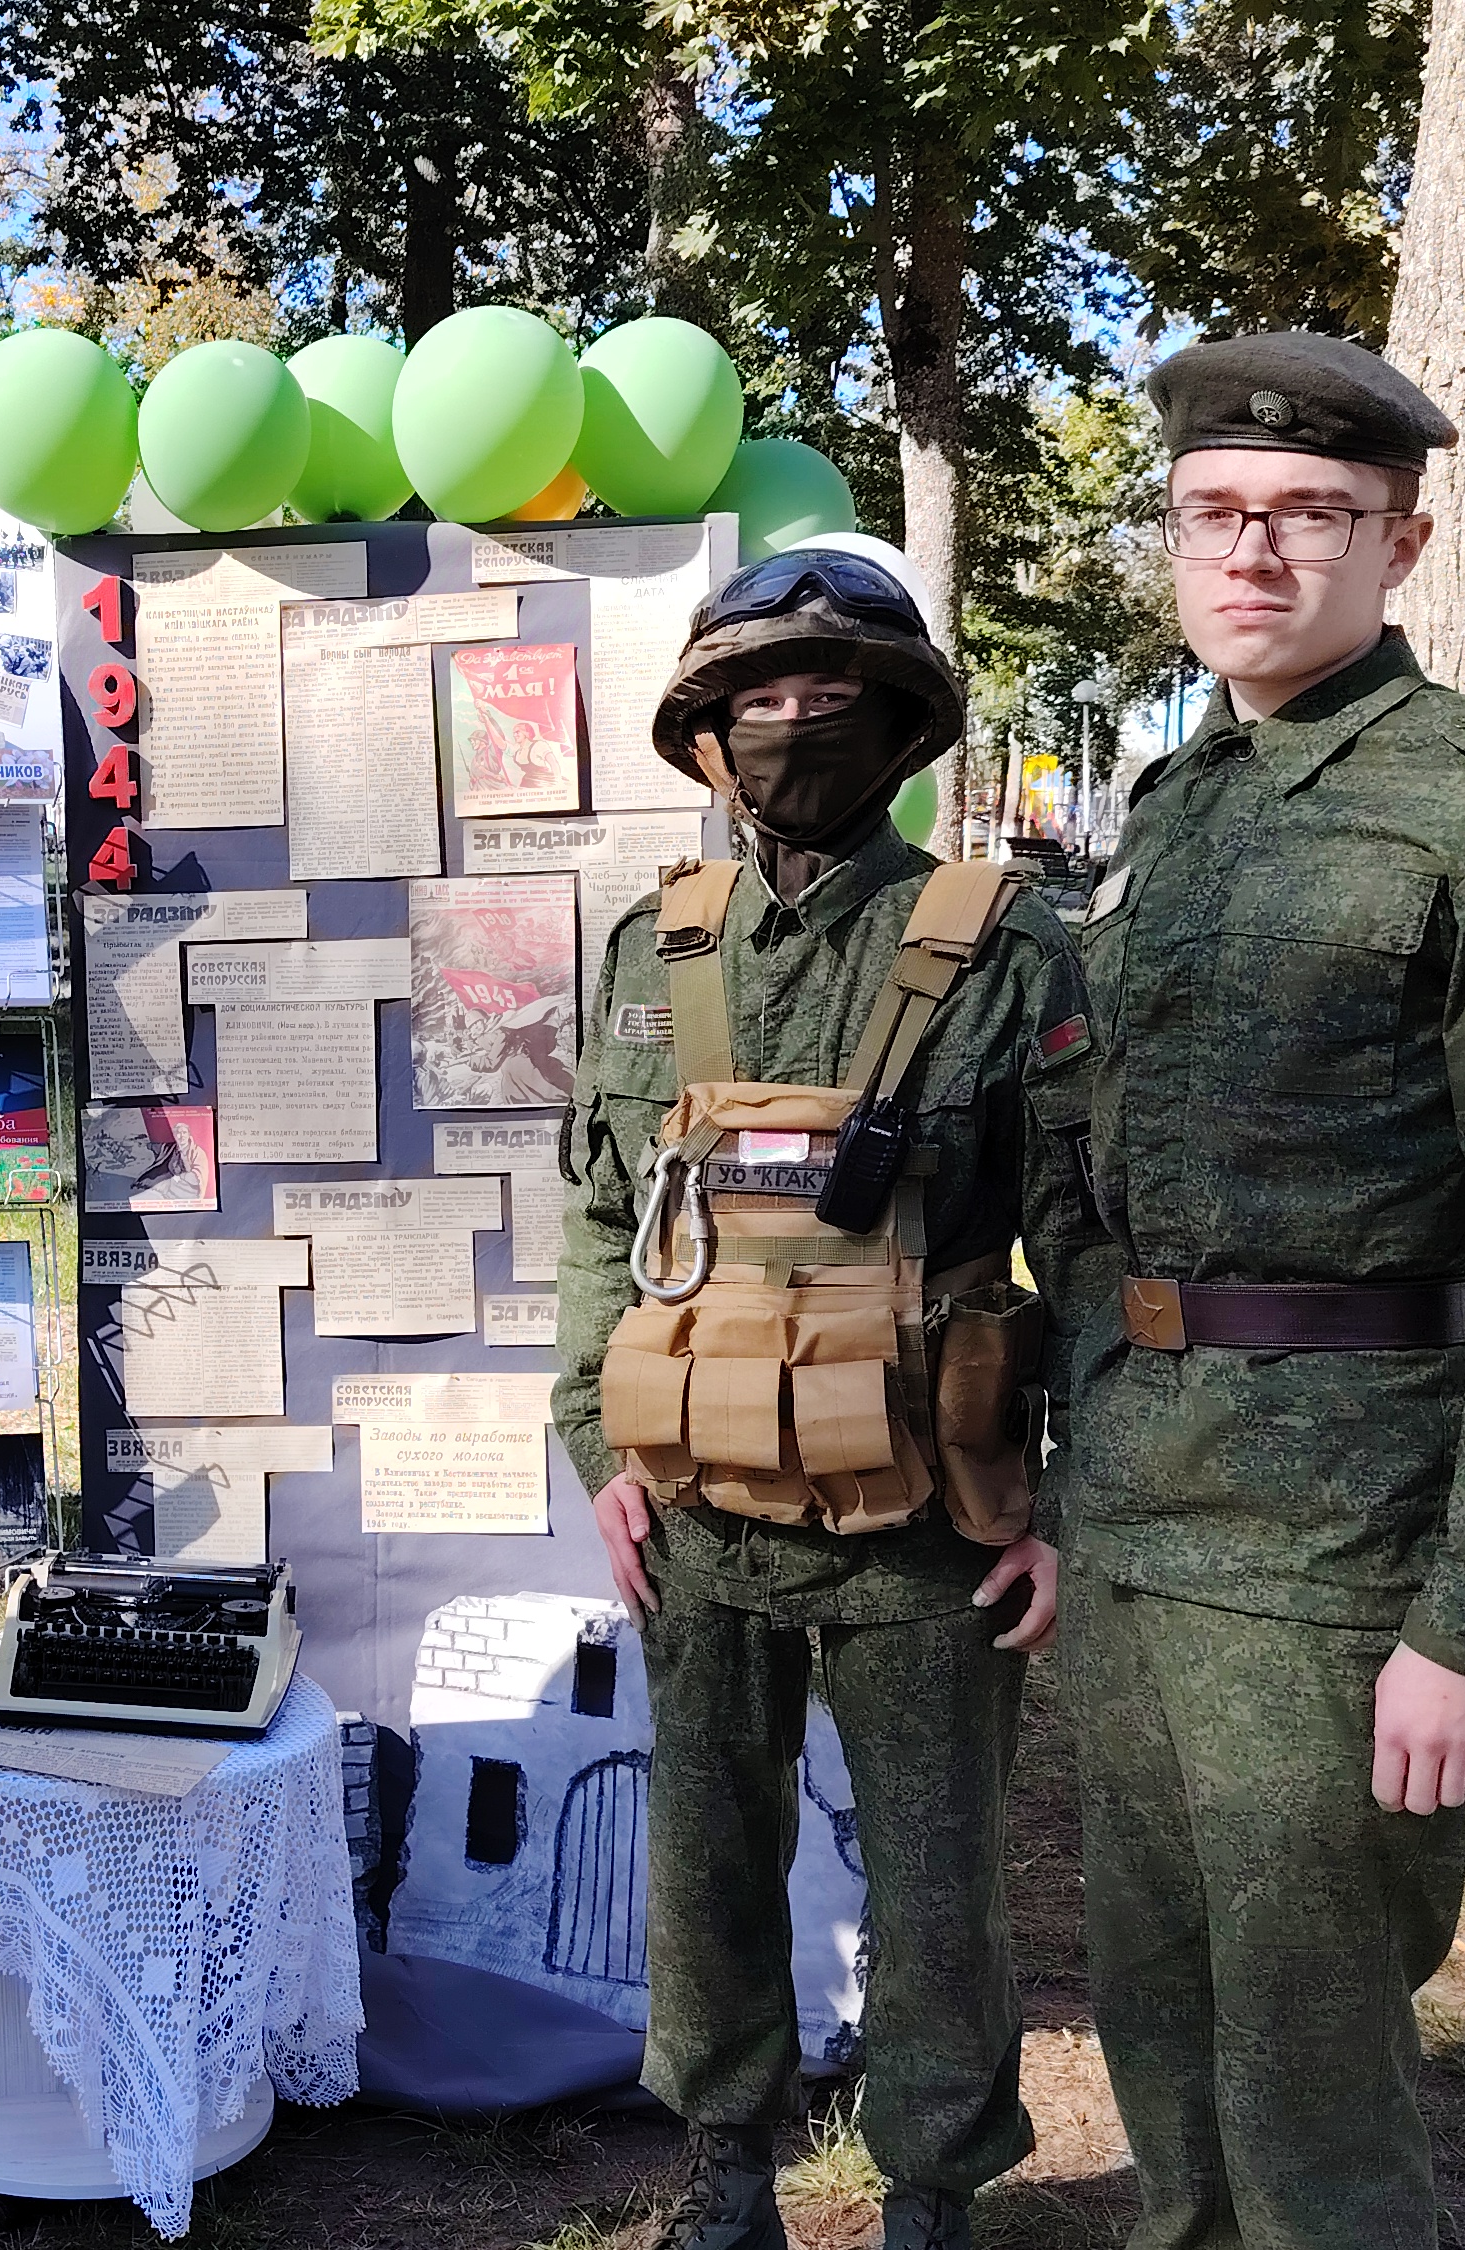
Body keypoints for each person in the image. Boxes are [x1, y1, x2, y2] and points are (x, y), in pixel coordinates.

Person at [1030, 331, 1465, 2247]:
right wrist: (1072, 1474)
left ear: (1399, 542)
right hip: (1142, 1523)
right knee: (1163, 2043)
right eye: (1212, 513)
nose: (1252, 553)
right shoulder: (1174, 806)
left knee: (1313, 2105)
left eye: (1310, 514)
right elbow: (1096, 1184)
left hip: (1339, 1555)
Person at [555, 537, 1105, 2250]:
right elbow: (602, 1220)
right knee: (704, 1859)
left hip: (926, 1520)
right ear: (708, 733)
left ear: (899, 723)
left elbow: (1093, 1254)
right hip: (699, 1507)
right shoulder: (652, 947)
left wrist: (1068, 1512)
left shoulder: (1008, 952)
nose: (794, 721)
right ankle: (726, 2167)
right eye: (760, 695)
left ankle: (932, 2186)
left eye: (830, 692)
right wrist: (595, 1443)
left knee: (940, 1878)